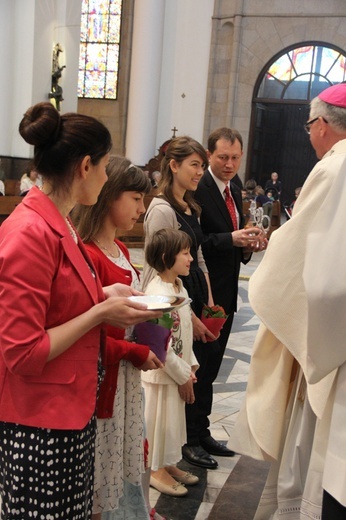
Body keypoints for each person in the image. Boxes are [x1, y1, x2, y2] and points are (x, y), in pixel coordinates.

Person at [0, 101, 162, 519]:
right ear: (85, 166)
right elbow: (22, 352)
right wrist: (100, 312)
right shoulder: (31, 231)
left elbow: (59, 301)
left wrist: (103, 293)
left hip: (70, 408)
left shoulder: (61, 221)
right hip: (38, 424)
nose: (108, 178)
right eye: (107, 167)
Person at [229, 82, 346, 519]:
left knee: (318, 440)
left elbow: (301, 260)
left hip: (334, 339)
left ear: (321, 125)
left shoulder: (336, 168)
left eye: (309, 125)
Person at [74, 156, 165, 520]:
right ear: (109, 196)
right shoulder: (90, 255)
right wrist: (134, 351)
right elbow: (87, 337)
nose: (142, 209)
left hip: (126, 381)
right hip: (104, 383)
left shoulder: (123, 250)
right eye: (135, 199)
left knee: (126, 459)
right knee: (101, 471)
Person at [142, 135, 219, 470]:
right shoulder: (161, 209)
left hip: (192, 297)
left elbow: (197, 257)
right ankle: (172, 454)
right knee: (177, 378)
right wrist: (190, 314)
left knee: (194, 374)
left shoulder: (190, 206)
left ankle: (188, 441)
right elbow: (158, 263)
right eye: (194, 165)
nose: (200, 172)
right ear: (173, 166)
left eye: (202, 166)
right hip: (173, 301)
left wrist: (210, 302)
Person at [193, 127, 267, 465]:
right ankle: (188, 439)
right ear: (210, 155)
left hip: (227, 293)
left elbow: (230, 240)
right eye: (223, 157)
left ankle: (202, 432)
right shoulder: (200, 188)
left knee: (212, 369)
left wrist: (248, 244)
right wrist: (232, 239)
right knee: (198, 366)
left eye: (235, 157)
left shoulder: (233, 189)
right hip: (204, 294)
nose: (230, 164)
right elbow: (195, 243)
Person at [142, 228, 200, 497]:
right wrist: (182, 374)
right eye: (185, 253)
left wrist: (191, 367)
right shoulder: (157, 293)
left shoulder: (178, 285)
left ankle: (166, 463)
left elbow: (183, 331)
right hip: (163, 373)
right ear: (166, 256)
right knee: (159, 422)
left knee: (173, 423)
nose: (191, 259)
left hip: (178, 371)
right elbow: (160, 345)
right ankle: (154, 470)